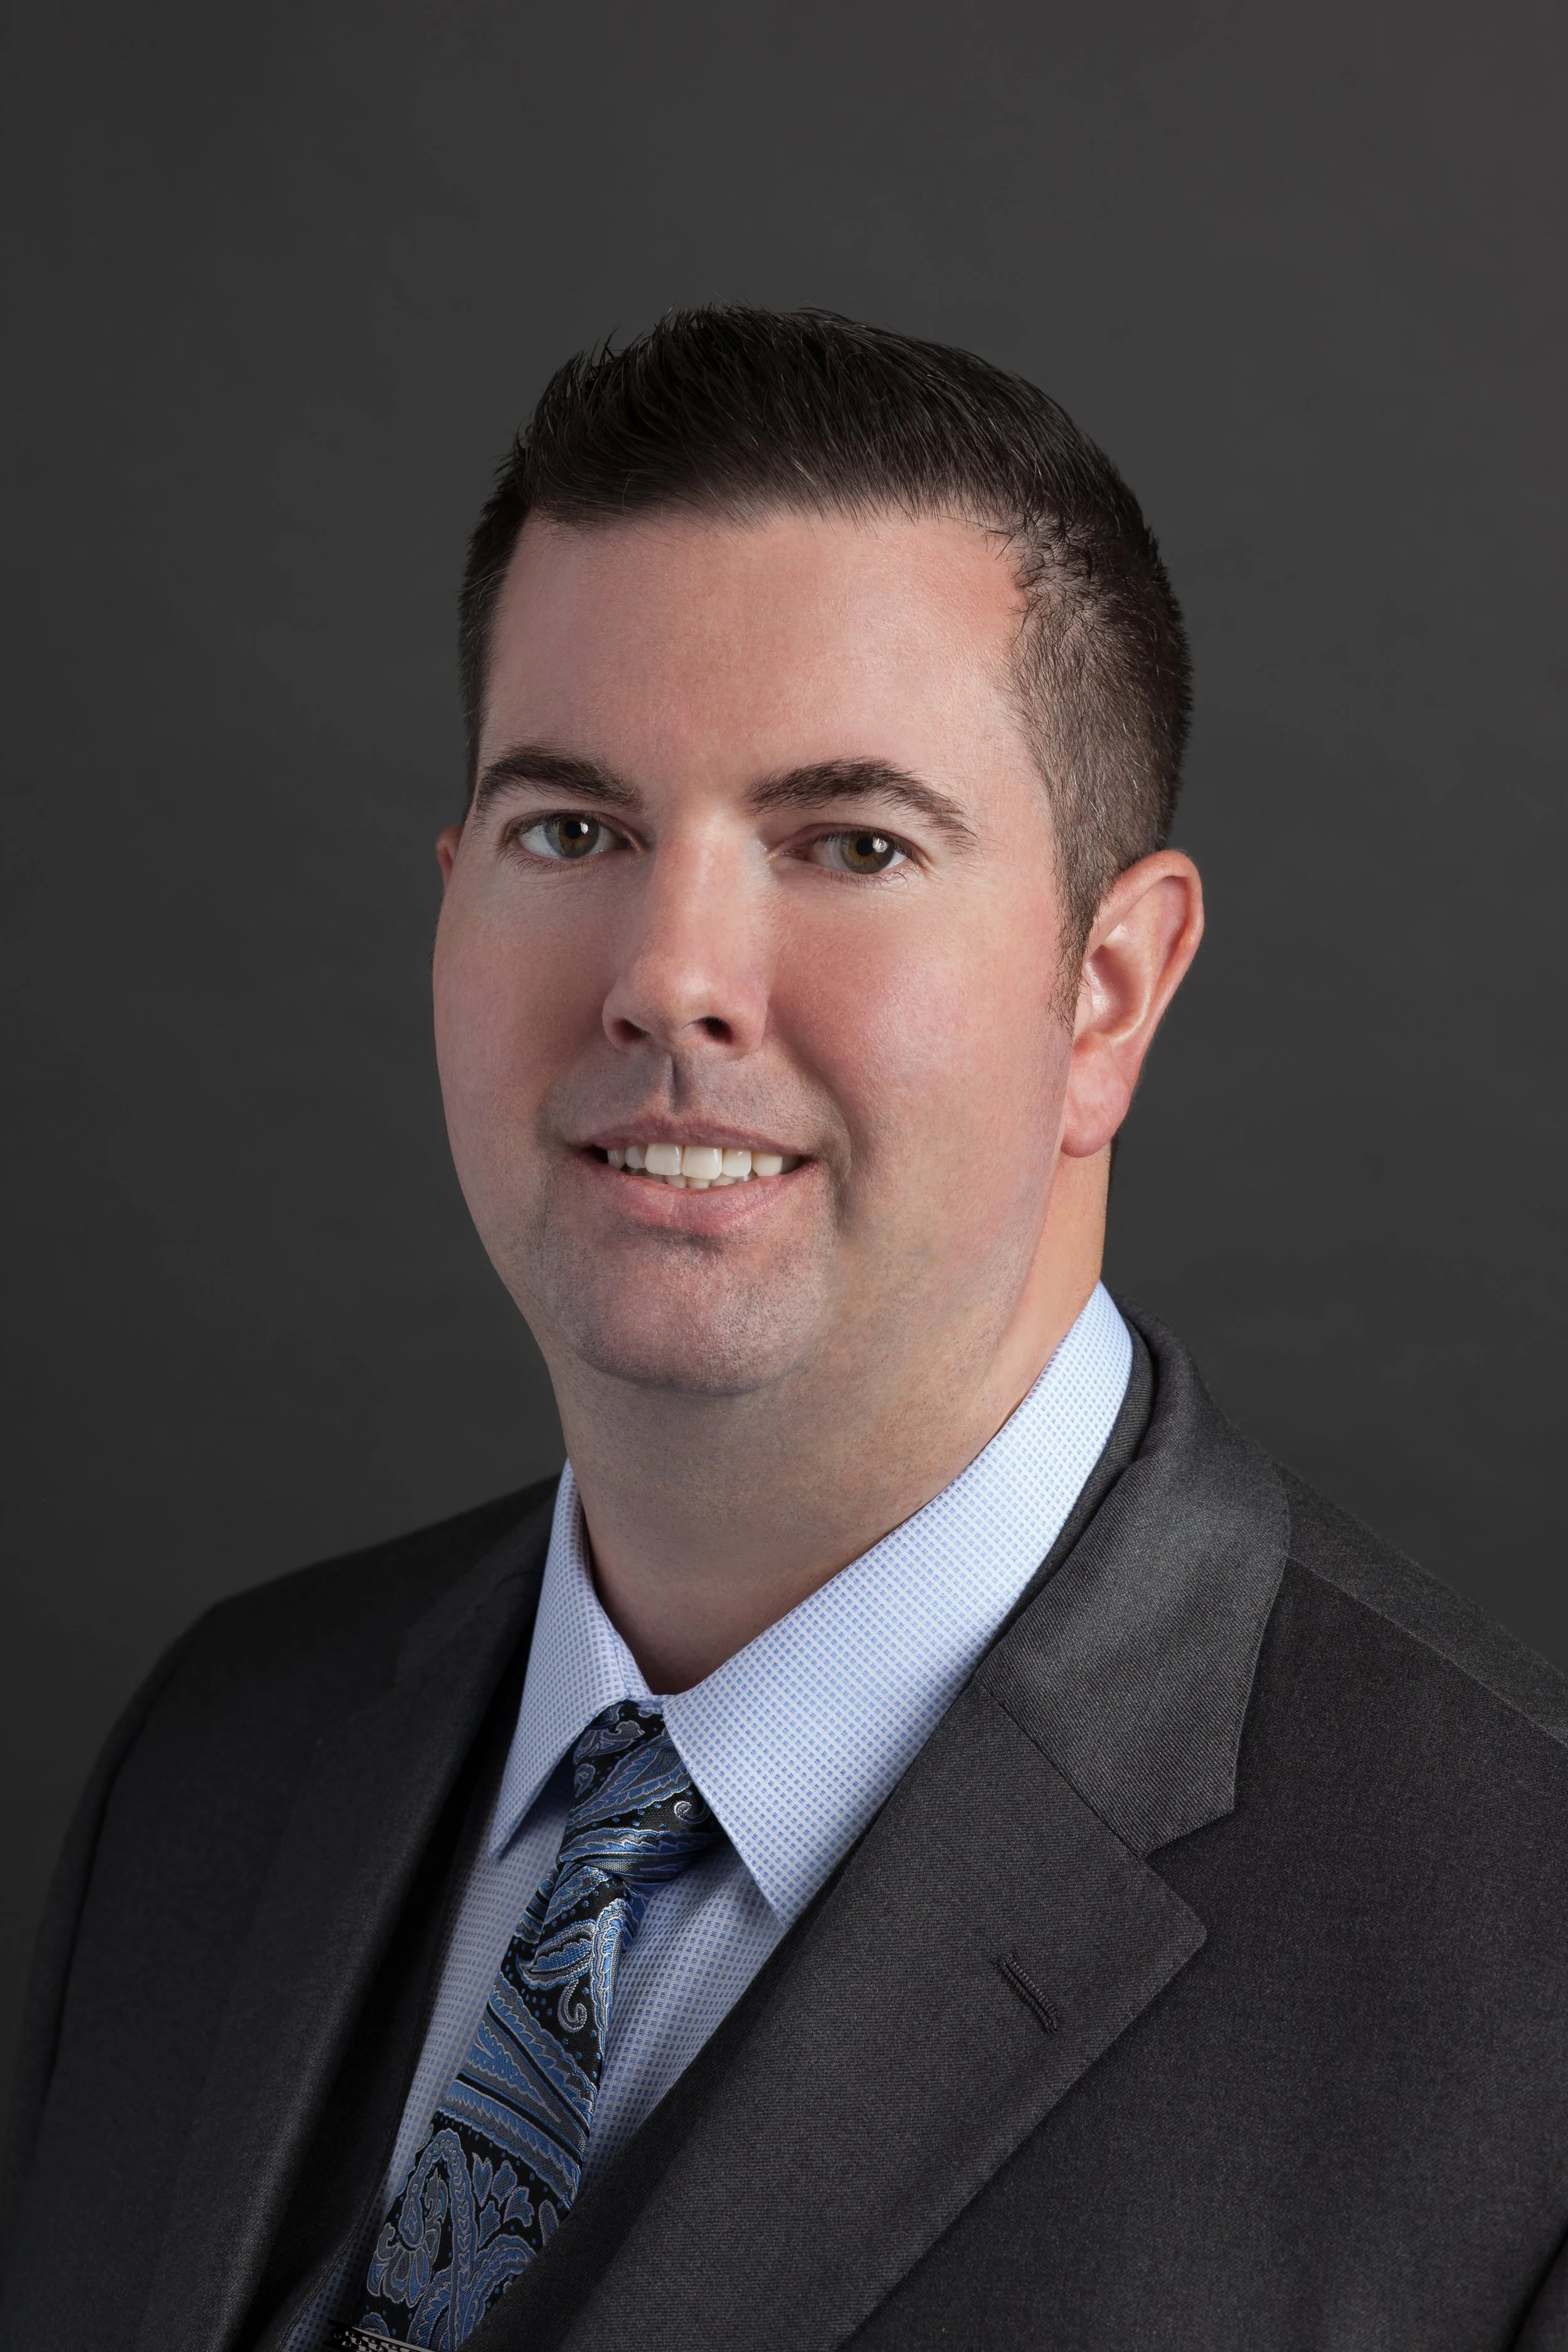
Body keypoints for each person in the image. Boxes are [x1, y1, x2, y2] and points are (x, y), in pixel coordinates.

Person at [3, 306, 1566, 2352]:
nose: (669, 976)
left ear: (1107, 989)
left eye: (849, 843)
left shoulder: (1517, 1978)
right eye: (574, 831)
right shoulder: (219, 1756)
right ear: (450, 899)